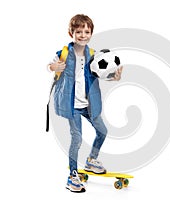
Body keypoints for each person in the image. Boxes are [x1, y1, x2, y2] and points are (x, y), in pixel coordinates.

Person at [47, 14, 123, 193]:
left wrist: (114, 78)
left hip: (88, 105)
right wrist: (53, 67)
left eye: (86, 31)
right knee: (77, 138)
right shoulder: (64, 53)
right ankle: (72, 175)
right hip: (71, 105)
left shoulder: (94, 56)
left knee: (103, 131)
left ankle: (91, 160)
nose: (82, 35)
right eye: (78, 31)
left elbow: (100, 74)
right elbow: (51, 65)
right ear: (71, 33)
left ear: (91, 33)